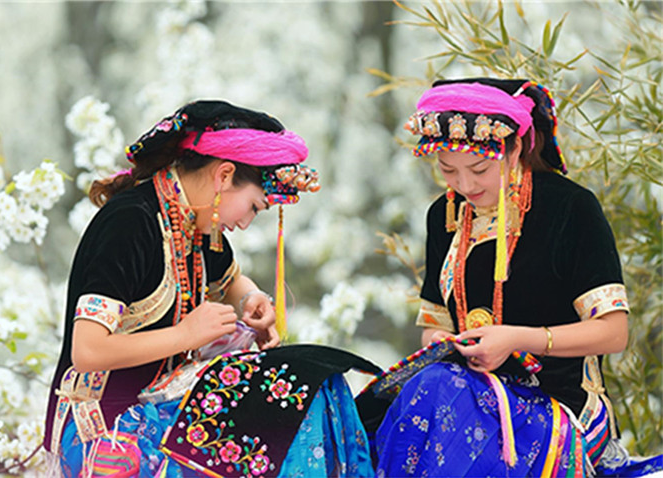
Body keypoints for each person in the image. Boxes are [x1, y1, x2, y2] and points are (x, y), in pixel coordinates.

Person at [43, 100, 375, 477]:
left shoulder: (197, 225)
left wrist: (252, 299)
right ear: (224, 175)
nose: (246, 223)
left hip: (161, 404)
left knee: (309, 388)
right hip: (104, 427)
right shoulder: (130, 223)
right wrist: (185, 335)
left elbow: (231, 281)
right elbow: (87, 351)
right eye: (254, 207)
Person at [367, 78, 663, 477]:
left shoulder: (570, 208)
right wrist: (443, 343)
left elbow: (613, 333)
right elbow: (435, 327)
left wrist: (517, 340)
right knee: (408, 398)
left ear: (517, 147)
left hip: (559, 405)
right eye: (448, 170)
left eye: (479, 169)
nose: (465, 185)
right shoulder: (444, 215)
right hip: (465, 389)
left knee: (440, 390)